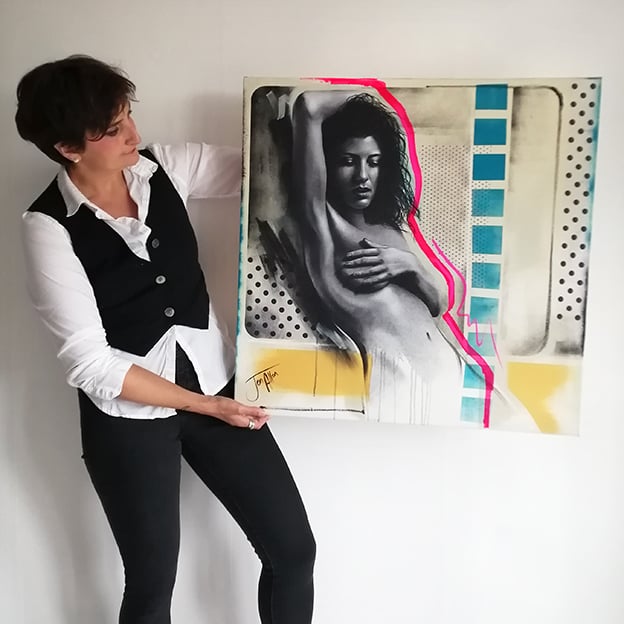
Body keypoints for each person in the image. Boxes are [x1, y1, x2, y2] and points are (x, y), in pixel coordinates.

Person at [15, 55, 315, 624]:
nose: (134, 134)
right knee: (153, 585)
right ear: (68, 148)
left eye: (129, 114)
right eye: (113, 129)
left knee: (293, 551)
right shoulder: (46, 226)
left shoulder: (167, 167)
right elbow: (89, 363)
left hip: (216, 387)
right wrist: (209, 406)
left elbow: (267, 168)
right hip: (126, 420)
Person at [290, 90, 462, 423]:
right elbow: (307, 107)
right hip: (398, 386)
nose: (362, 176)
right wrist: (370, 93)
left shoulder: (390, 231)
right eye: (348, 161)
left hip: (445, 380)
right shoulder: (323, 225)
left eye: (373, 161)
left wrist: (409, 266)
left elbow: (438, 305)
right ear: (326, 164)